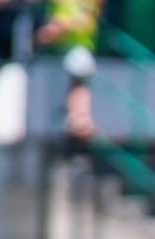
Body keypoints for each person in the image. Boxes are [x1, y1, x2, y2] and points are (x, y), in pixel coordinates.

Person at [36, 0, 101, 140]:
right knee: (78, 83)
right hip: (65, 51)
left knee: (79, 82)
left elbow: (60, 27)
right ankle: (77, 118)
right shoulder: (65, 5)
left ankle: (78, 118)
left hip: (75, 49)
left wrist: (56, 29)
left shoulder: (81, 6)